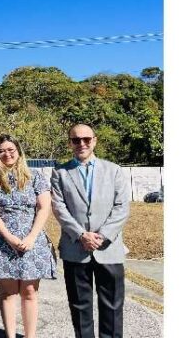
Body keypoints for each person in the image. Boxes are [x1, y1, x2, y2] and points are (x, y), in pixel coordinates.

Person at [51, 124, 131, 338]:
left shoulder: (113, 170)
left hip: (109, 248)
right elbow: (59, 207)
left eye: (86, 139)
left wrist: (102, 235)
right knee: (79, 307)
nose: (82, 144)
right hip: (76, 248)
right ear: (70, 143)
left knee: (113, 308)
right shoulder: (60, 173)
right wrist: (81, 235)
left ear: (94, 140)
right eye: (76, 140)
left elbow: (122, 206)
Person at [0, 134, 57, 338]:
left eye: (11, 150)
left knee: (30, 292)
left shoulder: (35, 176)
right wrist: (9, 237)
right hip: (2, 239)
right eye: (2, 151)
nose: (7, 154)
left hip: (32, 238)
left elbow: (43, 207)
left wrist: (31, 237)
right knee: (8, 293)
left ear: (18, 151)